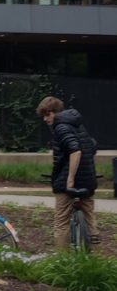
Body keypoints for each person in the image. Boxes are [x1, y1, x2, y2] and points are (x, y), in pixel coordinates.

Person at [36, 95, 99, 248]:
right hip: (88, 178)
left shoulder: (61, 127)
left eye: (48, 114)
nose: (45, 119)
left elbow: (75, 151)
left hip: (67, 181)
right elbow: (91, 145)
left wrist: (70, 178)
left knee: (61, 221)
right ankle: (95, 253)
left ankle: (62, 261)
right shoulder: (77, 124)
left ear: (56, 112)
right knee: (89, 215)